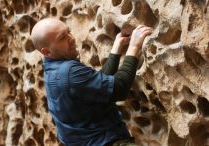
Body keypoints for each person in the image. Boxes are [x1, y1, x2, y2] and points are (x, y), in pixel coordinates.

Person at [31, 18, 152, 146]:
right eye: (62, 38)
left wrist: (116, 50)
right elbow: (118, 89)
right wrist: (134, 46)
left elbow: (98, 86)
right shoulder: (69, 72)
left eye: (69, 32)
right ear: (46, 51)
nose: (71, 38)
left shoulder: (53, 70)